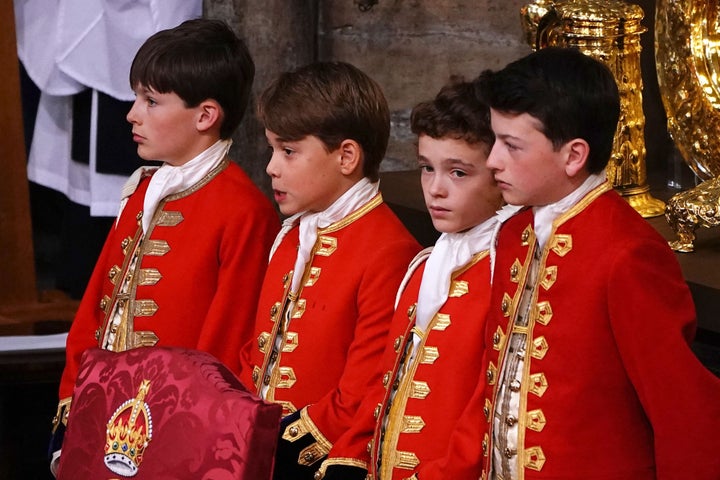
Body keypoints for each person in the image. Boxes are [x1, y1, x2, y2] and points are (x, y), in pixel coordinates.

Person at [475, 46, 720, 479]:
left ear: (573, 155)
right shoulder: (514, 234)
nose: (493, 160)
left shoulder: (627, 254)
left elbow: (683, 412)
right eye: (495, 140)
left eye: (511, 145)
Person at [50, 18, 279, 474]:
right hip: (103, 420)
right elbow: (96, 310)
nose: (132, 114)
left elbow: (226, 346)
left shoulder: (243, 211)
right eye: (138, 97)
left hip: (175, 436)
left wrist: (187, 438)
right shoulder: (140, 191)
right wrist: (71, 409)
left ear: (205, 115)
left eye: (151, 101)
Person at [238, 61, 421, 480]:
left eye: (288, 151)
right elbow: (260, 353)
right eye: (272, 150)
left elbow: (361, 391)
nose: (271, 166)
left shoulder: (389, 251)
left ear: (347, 157)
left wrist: (274, 444)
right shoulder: (291, 235)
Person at [315, 78, 503, 480]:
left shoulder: (502, 275)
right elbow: (386, 384)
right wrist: (348, 456)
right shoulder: (423, 268)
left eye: (458, 173)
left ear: (500, 174)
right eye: (426, 168)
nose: (435, 189)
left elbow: (487, 419)